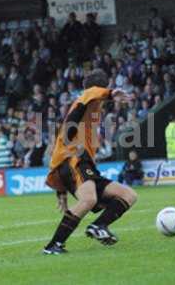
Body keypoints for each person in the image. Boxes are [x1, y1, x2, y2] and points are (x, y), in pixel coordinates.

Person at [43, 69, 137, 255]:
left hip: (84, 164)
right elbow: (90, 93)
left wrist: (61, 191)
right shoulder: (87, 98)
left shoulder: (91, 110)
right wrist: (110, 94)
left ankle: (99, 226)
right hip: (74, 160)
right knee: (89, 199)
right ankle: (53, 245)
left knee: (129, 195)